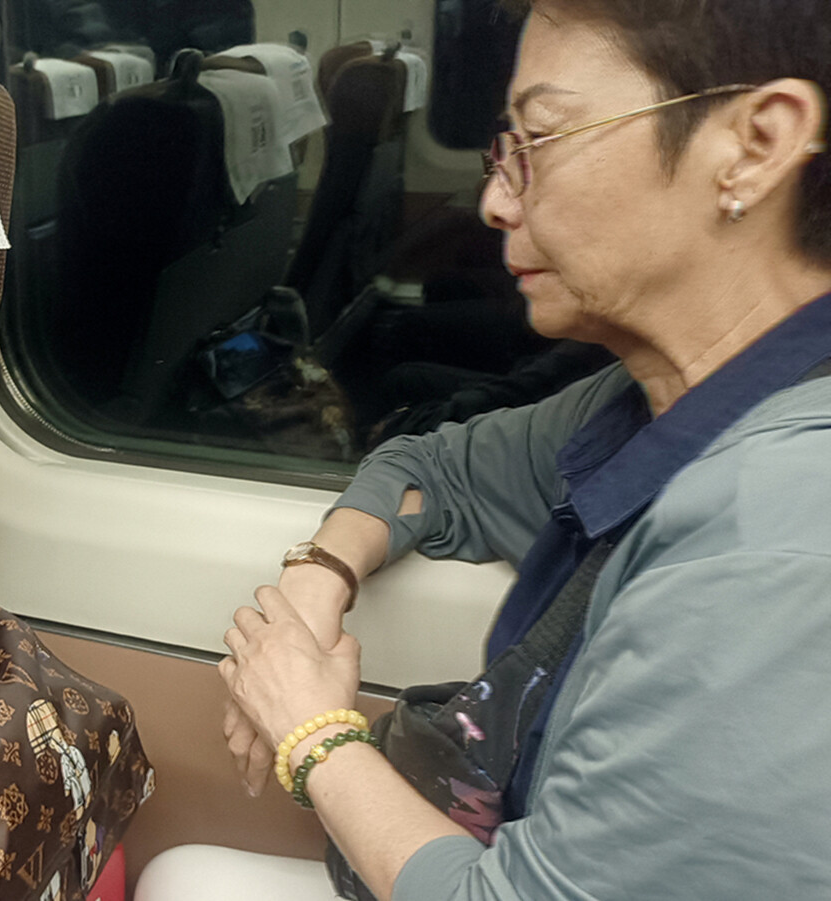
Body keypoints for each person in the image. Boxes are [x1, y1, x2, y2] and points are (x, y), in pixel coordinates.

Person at [137, 0, 831, 898]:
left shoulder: (772, 545)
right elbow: (435, 468)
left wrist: (312, 732)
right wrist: (319, 577)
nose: (498, 200)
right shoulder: (652, 404)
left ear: (755, 145)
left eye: (541, 140)